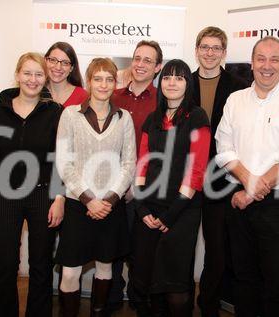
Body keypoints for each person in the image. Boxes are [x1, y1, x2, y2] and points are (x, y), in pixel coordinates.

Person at [214, 36, 279, 316]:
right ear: (252, 63)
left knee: (277, 281)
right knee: (243, 277)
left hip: (278, 205)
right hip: (238, 202)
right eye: (261, 59)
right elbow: (224, 149)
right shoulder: (236, 100)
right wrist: (249, 185)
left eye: (274, 59)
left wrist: (251, 191)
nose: (267, 66)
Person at [0, 52, 64, 317]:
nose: (33, 79)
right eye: (27, 73)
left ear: (45, 78)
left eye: (39, 74)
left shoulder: (55, 112)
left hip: (42, 195)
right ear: (17, 75)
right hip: (4, 195)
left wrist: (59, 198)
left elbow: (60, 159)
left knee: (40, 264)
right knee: (5, 264)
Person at [55, 57, 136, 317]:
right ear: (88, 81)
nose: (103, 84)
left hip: (111, 207)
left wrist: (109, 200)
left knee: (105, 268)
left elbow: (129, 163)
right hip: (79, 206)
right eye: (98, 78)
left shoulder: (124, 119)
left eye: (109, 79)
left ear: (115, 83)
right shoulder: (70, 115)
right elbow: (64, 163)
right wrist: (89, 199)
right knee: (70, 272)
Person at [130, 59, 211, 317]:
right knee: (147, 282)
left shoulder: (197, 117)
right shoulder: (152, 119)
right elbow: (141, 167)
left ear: (188, 83)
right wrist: (141, 207)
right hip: (149, 209)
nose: (172, 83)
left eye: (179, 78)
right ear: (160, 82)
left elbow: (196, 171)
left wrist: (171, 215)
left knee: (175, 285)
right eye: (167, 77)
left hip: (182, 211)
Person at [191, 26, 249, 317]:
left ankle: (209, 306)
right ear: (197, 50)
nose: (210, 53)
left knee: (216, 250)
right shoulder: (183, 83)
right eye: (205, 47)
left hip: (222, 180)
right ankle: (179, 300)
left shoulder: (240, 87)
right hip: (186, 180)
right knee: (183, 246)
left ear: (224, 52)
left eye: (216, 48)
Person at [108, 40, 163, 312]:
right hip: (112, 186)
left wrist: (137, 184)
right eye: (137, 58)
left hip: (146, 188)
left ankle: (140, 302)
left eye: (148, 60)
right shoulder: (113, 97)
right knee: (113, 248)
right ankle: (112, 299)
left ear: (158, 68)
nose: (140, 64)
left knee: (142, 253)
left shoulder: (163, 101)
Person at [45, 41, 88, 107]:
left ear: (71, 68)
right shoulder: (36, 92)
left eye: (65, 63)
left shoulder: (82, 97)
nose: (58, 67)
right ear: (45, 61)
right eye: (53, 60)